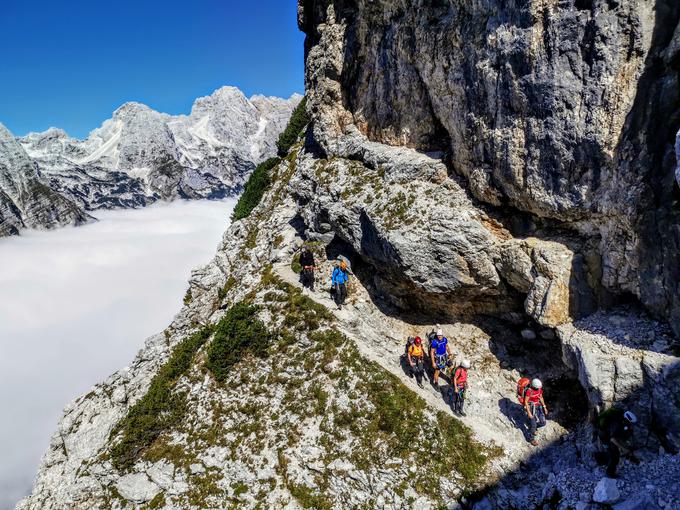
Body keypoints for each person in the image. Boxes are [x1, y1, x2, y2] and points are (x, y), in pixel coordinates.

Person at [595, 408, 638, 478]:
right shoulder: (617, 425)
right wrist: (623, 448)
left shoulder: (620, 419)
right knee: (614, 455)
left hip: (607, 435)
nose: (631, 425)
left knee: (613, 453)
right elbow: (612, 439)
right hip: (605, 437)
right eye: (630, 423)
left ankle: (601, 460)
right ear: (627, 420)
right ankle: (609, 473)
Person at [524, 378, 549, 446]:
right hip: (532, 408)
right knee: (534, 424)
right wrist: (529, 412)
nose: (538, 389)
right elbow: (526, 401)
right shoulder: (529, 391)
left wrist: (544, 407)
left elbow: (541, 397)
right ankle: (531, 438)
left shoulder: (539, 389)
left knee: (543, 422)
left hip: (538, 406)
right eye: (537, 388)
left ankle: (533, 427)